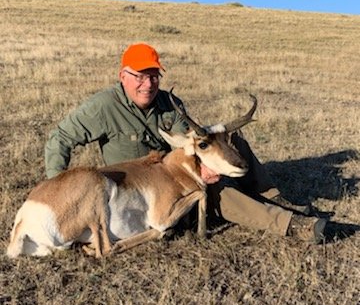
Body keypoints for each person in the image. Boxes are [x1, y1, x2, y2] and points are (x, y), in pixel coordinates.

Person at [45, 43, 327, 243]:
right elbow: (60, 140)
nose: (148, 84)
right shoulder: (103, 106)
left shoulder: (170, 103)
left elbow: (192, 142)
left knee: (234, 141)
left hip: (177, 173)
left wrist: (205, 163)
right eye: (140, 76)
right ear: (123, 77)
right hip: (142, 189)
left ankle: (274, 196)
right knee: (218, 192)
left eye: (154, 76)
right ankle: (292, 225)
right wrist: (58, 191)